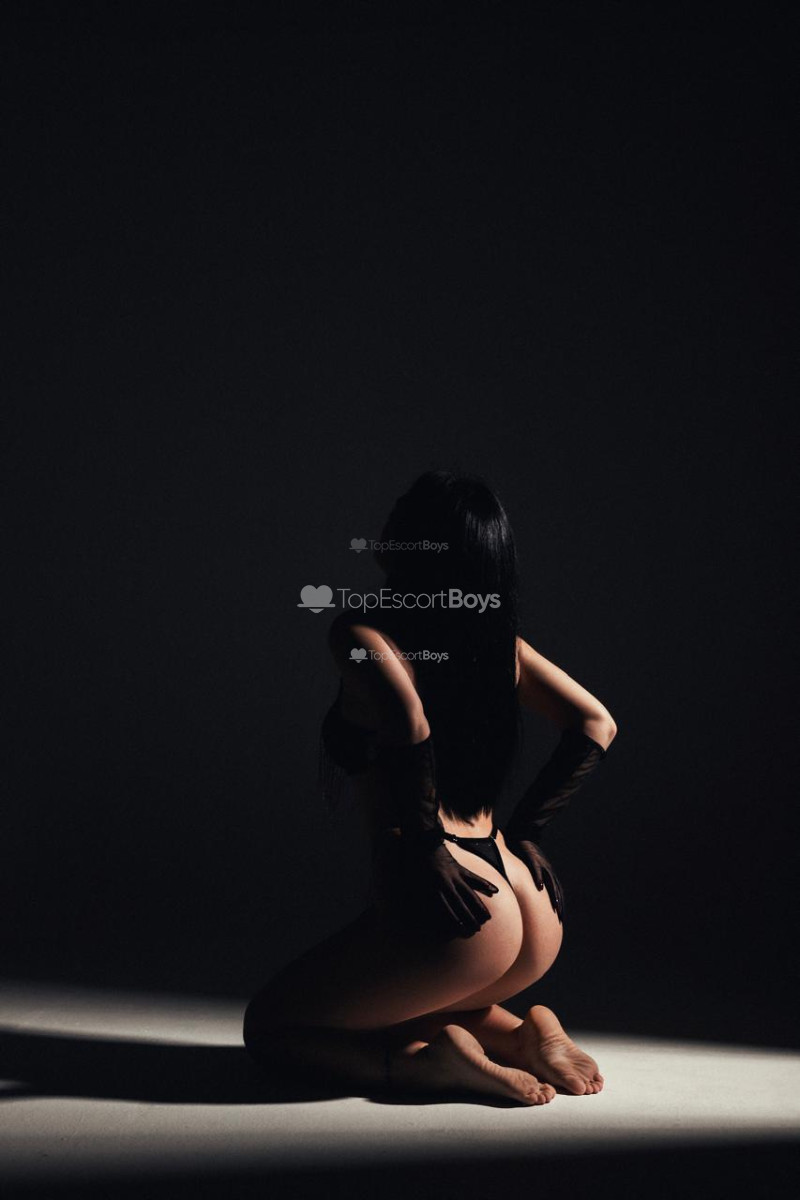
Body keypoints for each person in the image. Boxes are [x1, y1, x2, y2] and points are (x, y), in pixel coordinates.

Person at [243, 472, 617, 1105]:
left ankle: (424, 1067)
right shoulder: (501, 647)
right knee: (400, 995)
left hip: (457, 897)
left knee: (272, 1028)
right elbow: (596, 722)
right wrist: (525, 833)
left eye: (402, 516)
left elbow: (408, 719)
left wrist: (422, 845)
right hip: (523, 898)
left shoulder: (362, 634)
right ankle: (526, 1034)